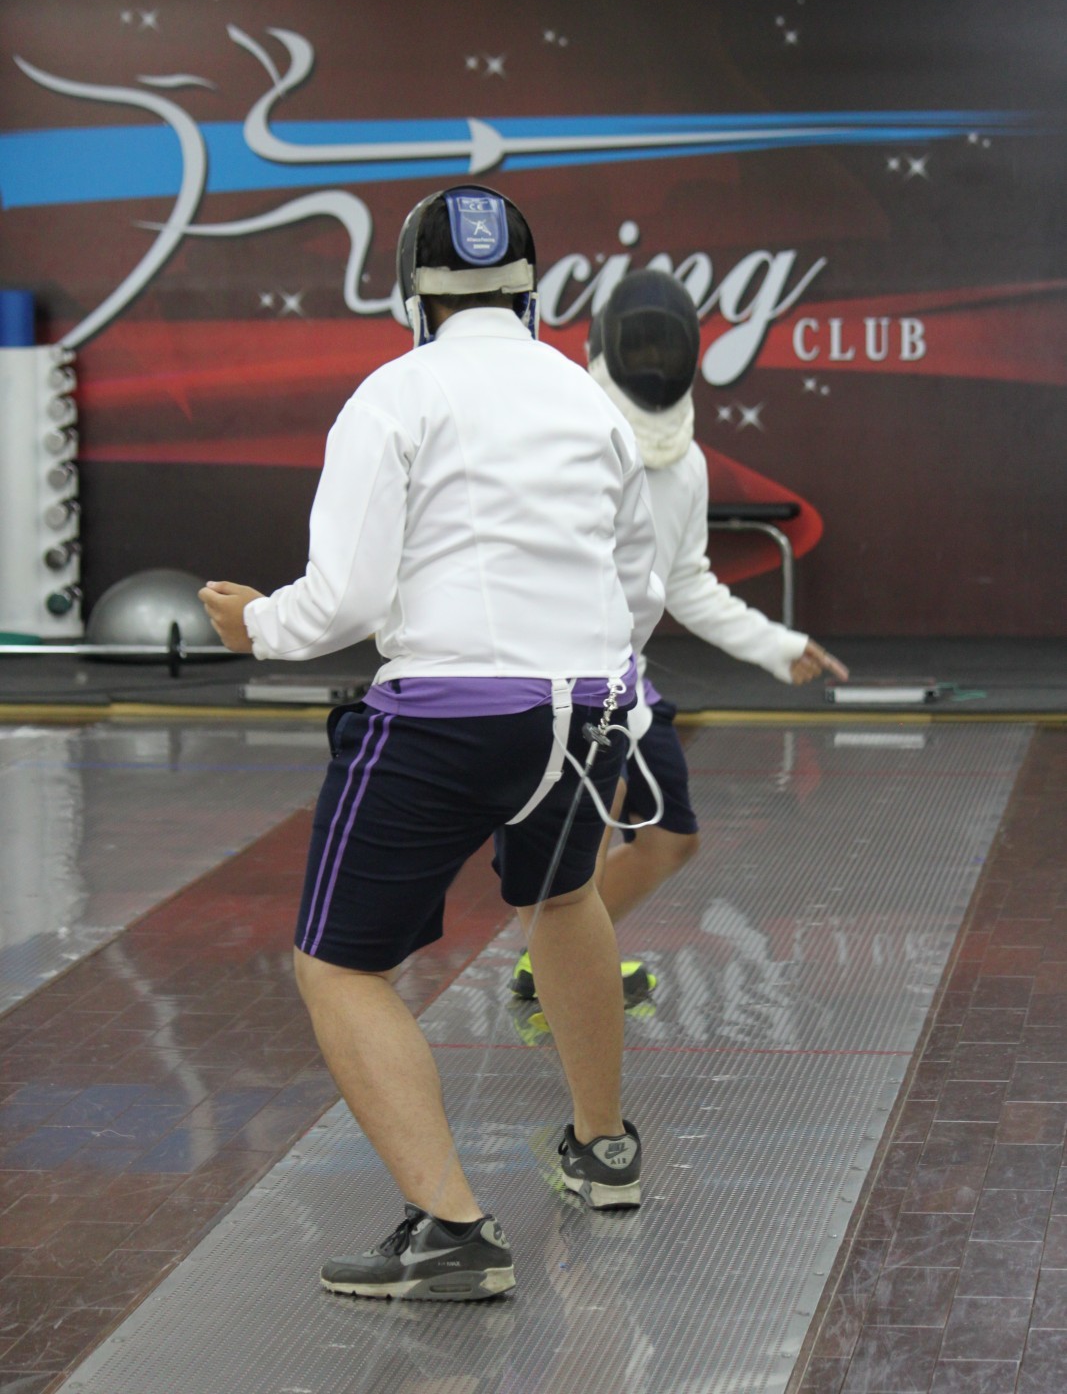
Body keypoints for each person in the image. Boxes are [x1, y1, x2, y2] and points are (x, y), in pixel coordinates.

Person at [199, 186, 664, 1302]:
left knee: (338, 965)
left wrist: (258, 625)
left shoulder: (393, 393)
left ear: (413, 295)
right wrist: (583, 666)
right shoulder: (585, 395)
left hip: (451, 717)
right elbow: (637, 583)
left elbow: (347, 596)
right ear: (529, 292)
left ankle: (452, 1229)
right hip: (593, 707)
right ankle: (602, 1150)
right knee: (561, 897)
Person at [510, 268, 848, 1005]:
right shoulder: (560, 439)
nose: (652, 360)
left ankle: (552, 962)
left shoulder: (685, 463)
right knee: (590, 827)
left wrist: (775, 644)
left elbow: (685, 580)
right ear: (606, 347)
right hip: (561, 678)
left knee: (670, 839)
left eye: (662, 347)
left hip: (623, 678)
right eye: (641, 345)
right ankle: (565, 970)